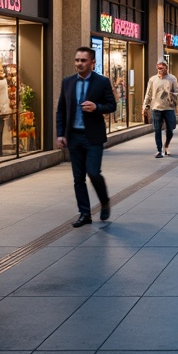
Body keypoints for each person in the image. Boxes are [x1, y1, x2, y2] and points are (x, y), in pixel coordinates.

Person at [56, 46, 117, 227]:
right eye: (77, 60)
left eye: (83, 60)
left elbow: (112, 105)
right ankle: (84, 213)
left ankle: (104, 200)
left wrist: (97, 107)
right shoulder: (67, 82)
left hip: (93, 136)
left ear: (92, 63)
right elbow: (61, 109)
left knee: (93, 172)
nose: (79, 64)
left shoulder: (102, 82)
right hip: (73, 136)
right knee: (78, 178)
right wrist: (60, 134)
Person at [143, 61, 178, 158]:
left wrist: (172, 95)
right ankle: (159, 150)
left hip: (169, 107)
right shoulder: (152, 79)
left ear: (166, 68)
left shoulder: (172, 79)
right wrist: (144, 106)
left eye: (162, 68)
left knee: (170, 130)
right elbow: (148, 93)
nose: (160, 70)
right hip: (156, 107)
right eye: (159, 68)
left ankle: (166, 145)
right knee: (157, 129)